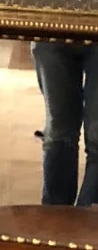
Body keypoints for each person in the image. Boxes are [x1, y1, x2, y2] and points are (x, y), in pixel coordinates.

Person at [32, 40, 98, 206]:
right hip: (51, 26)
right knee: (57, 135)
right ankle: (55, 224)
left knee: (97, 137)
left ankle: (88, 225)